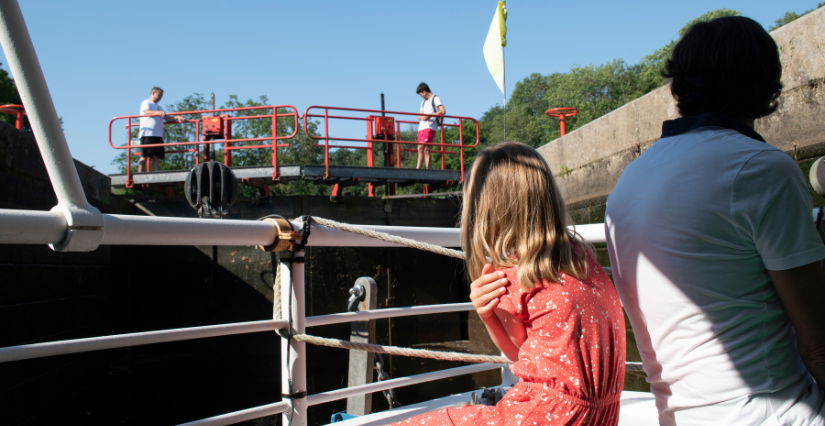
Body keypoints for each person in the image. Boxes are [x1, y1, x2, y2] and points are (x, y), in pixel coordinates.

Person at [605, 16, 825, 425]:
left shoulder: (628, 180)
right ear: (766, 86)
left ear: (679, 85)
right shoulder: (762, 168)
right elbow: (819, 346)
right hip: (774, 412)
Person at [392, 142, 626, 426]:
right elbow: (535, 354)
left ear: (486, 208)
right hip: (597, 416)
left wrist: (486, 315)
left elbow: (517, 353)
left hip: (541, 416)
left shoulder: (514, 273)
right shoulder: (581, 255)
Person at [137, 87, 183, 172]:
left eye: (161, 96)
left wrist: (177, 117)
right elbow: (146, 111)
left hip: (158, 135)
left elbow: (167, 118)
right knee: (145, 155)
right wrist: (158, 113)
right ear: (153, 93)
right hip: (148, 133)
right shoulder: (146, 102)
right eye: (159, 95)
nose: (160, 97)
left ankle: (156, 175)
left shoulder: (159, 107)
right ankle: (139, 174)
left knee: (156, 156)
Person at [415, 82, 444, 169]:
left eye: (420, 94)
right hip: (421, 127)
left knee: (425, 148)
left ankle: (423, 169)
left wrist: (430, 116)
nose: (420, 96)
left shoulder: (435, 98)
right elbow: (419, 116)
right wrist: (423, 117)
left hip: (430, 126)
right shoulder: (423, 103)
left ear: (424, 92)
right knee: (421, 148)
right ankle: (419, 169)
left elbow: (442, 110)